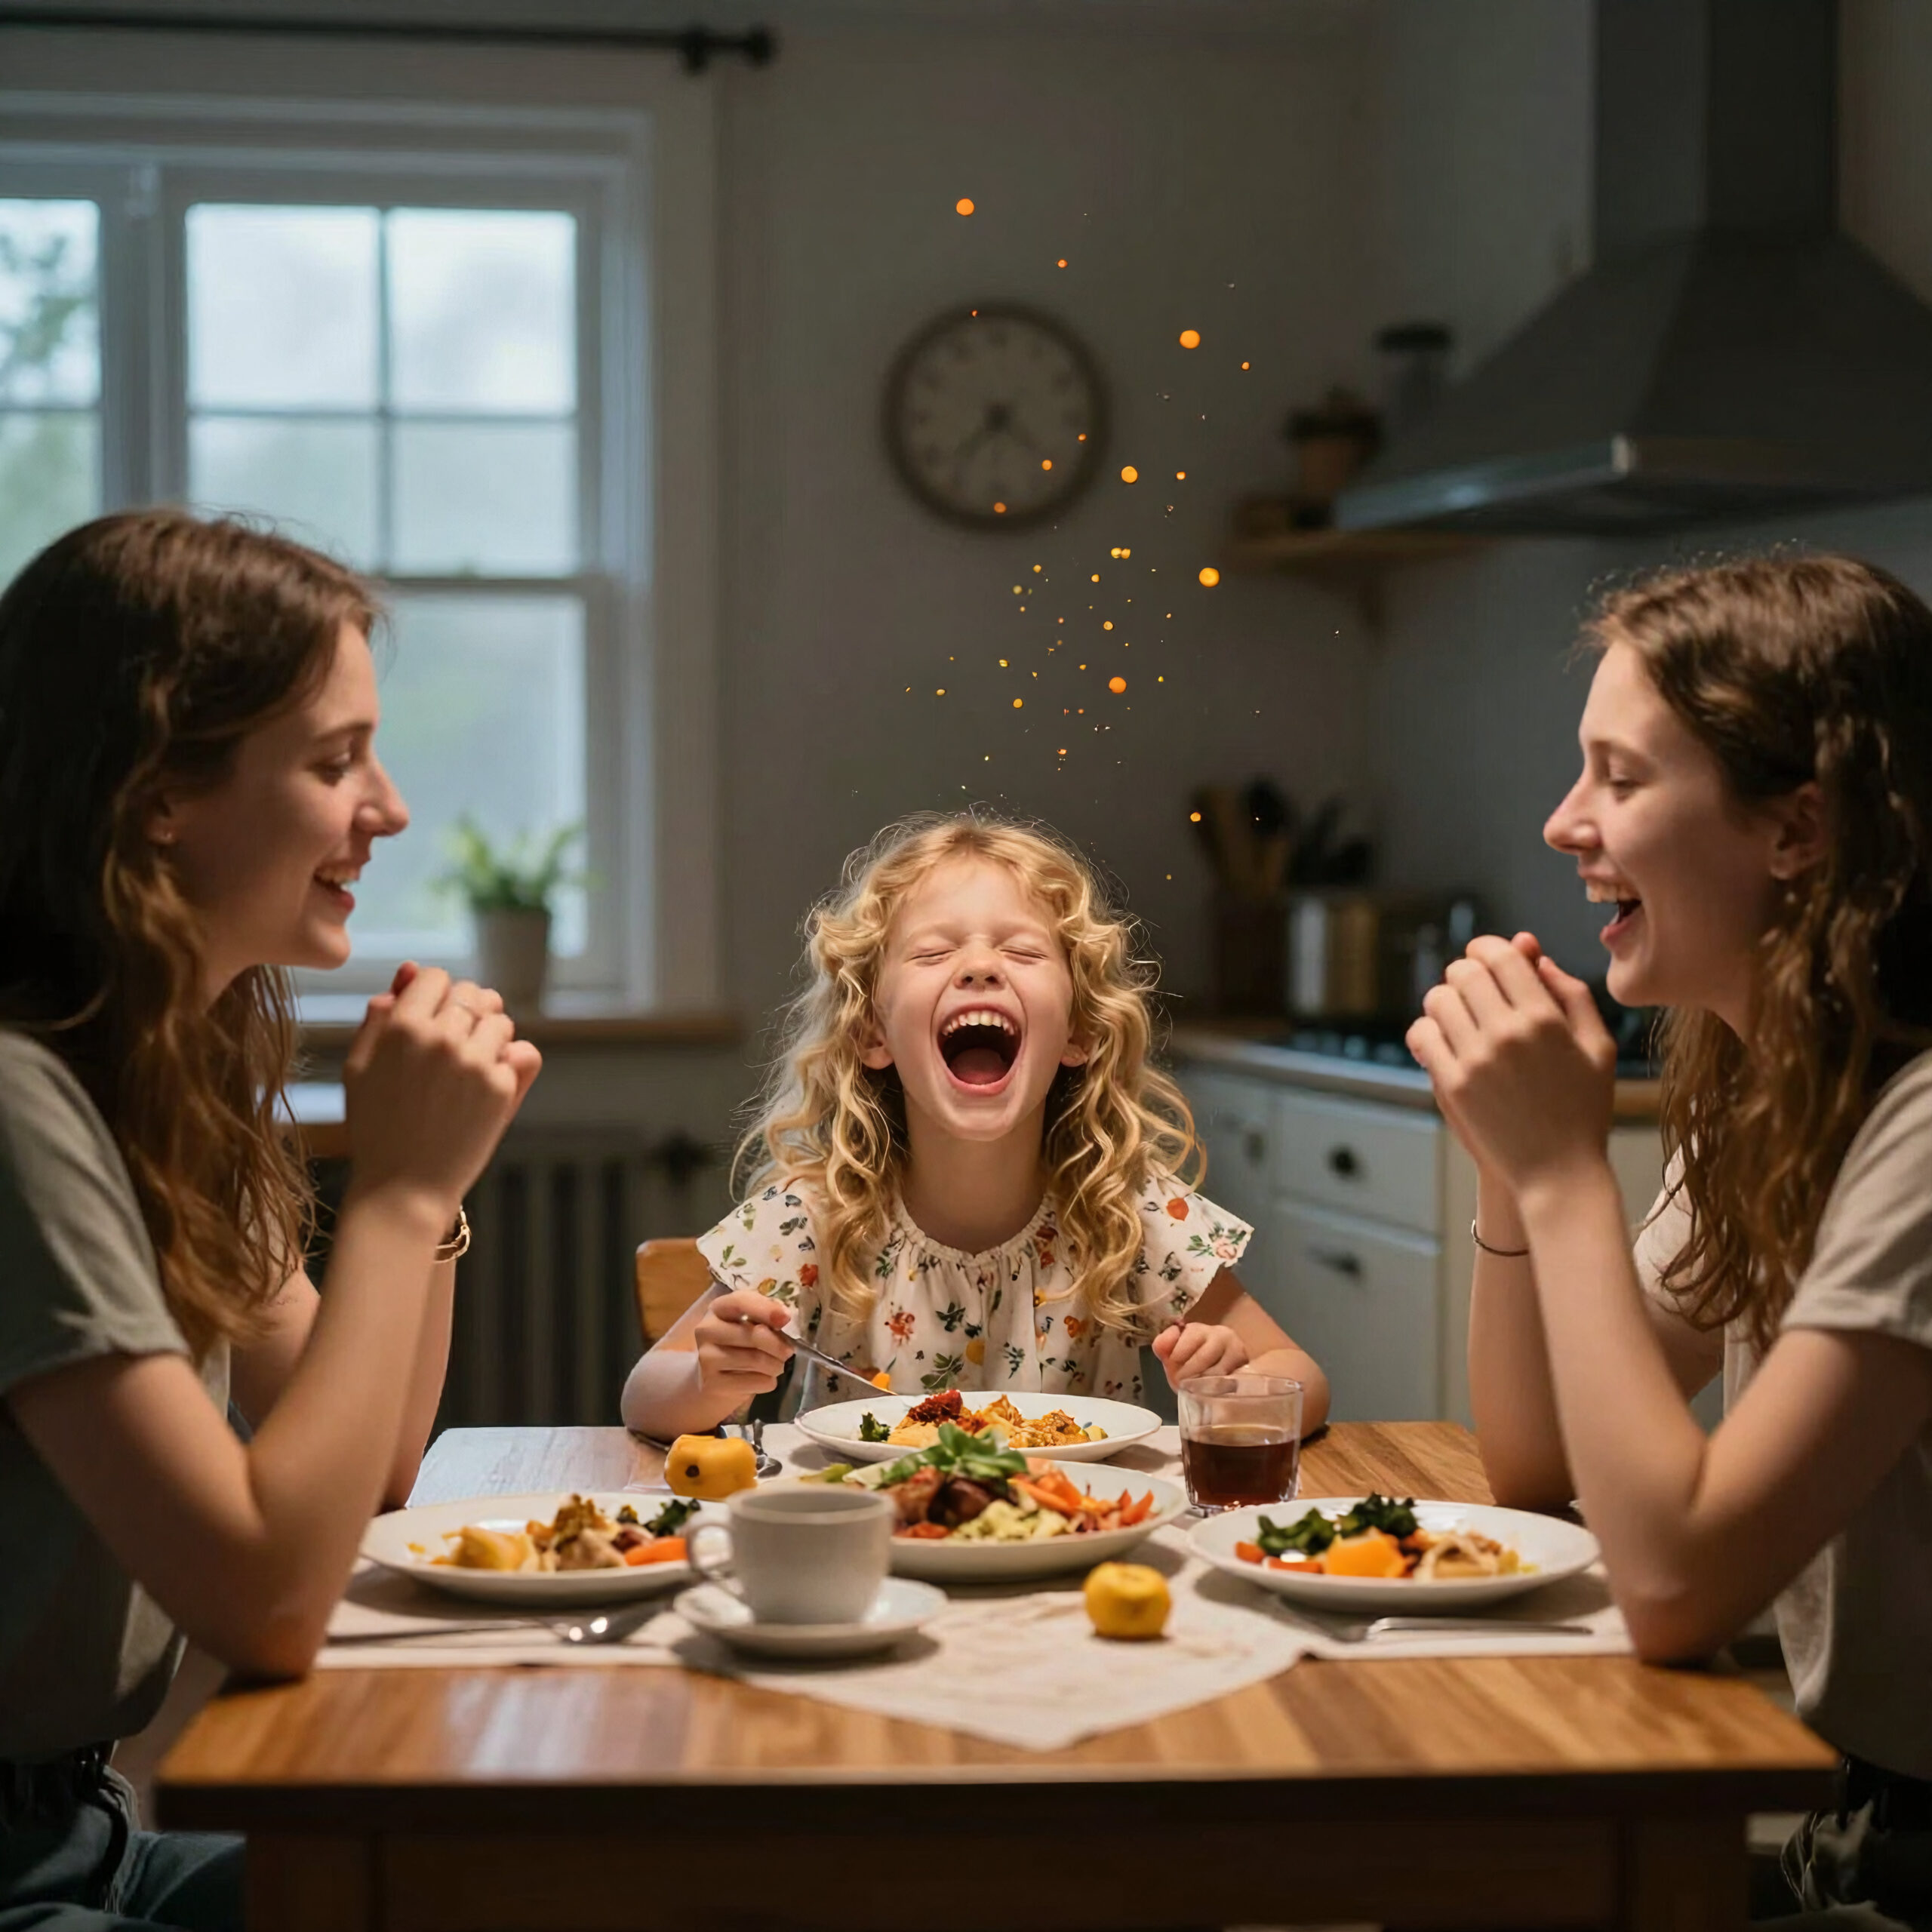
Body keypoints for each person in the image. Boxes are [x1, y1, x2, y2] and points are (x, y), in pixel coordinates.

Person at [0, 511, 541, 1932]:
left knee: (521, 1888)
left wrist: (431, 1192)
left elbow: (372, 1465)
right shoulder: (16, 1104)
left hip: (84, 1832)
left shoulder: (160, 1074)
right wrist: (401, 1189)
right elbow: (271, 1601)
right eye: (333, 761)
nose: (390, 809)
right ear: (158, 794)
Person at [1407, 555, 1932, 1929]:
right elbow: (1536, 1463)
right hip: (1855, 1824)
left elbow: (1675, 1583)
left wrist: (1565, 1173)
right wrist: (1509, 1172)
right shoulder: (1778, 1091)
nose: (1562, 822)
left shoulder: (1924, 1131)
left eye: (1620, 778)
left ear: (1798, 828)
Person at [623, 812, 1327, 1437]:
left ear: (1079, 1032)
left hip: (1078, 1534)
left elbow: (1300, 1376)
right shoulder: (816, 1215)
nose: (982, 967)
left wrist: (1236, 1388)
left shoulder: (1125, 1211)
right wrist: (708, 1381)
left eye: (1023, 952)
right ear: (872, 1033)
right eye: (933, 953)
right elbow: (644, 1397)